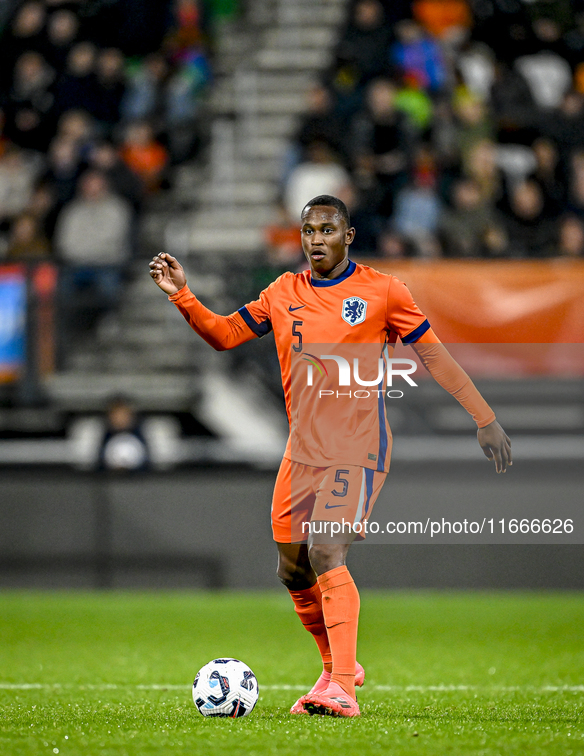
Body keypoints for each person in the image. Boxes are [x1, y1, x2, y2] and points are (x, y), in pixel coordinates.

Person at [149, 194, 511, 718]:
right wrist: (183, 295)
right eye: (309, 230)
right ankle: (333, 667)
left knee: (325, 552)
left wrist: (484, 418)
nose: (316, 239)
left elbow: (433, 354)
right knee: (292, 569)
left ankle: (343, 686)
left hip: (358, 445)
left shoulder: (384, 291)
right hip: (302, 450)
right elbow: (226, 335)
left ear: (349, 236)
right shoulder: (283, 291)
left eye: (327, 229)